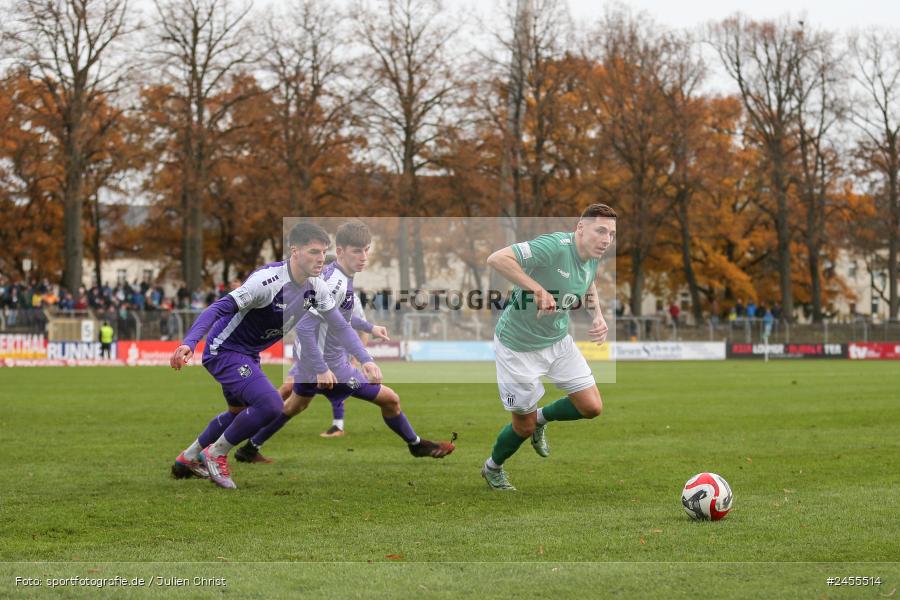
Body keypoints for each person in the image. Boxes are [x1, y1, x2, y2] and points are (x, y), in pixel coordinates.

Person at [169, 223, 383, 490]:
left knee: (237, 413)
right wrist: (189, 343)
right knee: (270, 404)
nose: (320, 259)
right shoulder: (267, 281)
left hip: (248, 354)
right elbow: (217, 309)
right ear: (295, 251)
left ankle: (187, 458)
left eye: (323, 252)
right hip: (224, 350)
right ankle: (215, 454)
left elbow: (340, 325)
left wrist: (366, 359)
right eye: (314, 252)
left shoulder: (316, 286)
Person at [234, 221, 455, 464]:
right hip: (332, 366)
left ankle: (248, 448)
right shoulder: (335, 282)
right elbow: (306, 326)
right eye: (356, 251)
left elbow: (339, 318)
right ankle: (416, 445)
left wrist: (369, 327)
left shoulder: (337, 276)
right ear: (339, 251)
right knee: (391, 399)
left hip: (313, 362)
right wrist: (328, 367)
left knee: (293, 407)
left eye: (367, 250)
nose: (364, 257)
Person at [481, 203, 614, 491]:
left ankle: (543, 417)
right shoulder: (554, 246)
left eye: (612, 234)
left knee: (591, 407)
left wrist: (598, 315)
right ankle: (493, 468)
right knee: (522, 427)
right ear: (580, 228)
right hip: (517, 347)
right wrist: (538, 291)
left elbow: (588, 282)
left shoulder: (592, 254)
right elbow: (497, 258)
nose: (606, 239)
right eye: (601, 230)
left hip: (557, 341)